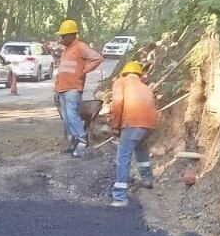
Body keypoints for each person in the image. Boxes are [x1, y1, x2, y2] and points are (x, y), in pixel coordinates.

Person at [108, 60, 158, 207]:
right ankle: (147, 180)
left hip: (132, 122)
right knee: (141, 148)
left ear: (124, 73)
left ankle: (120, 197)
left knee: (123, 157)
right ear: (139, 75)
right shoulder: (145, 87)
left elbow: (117, 104)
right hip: (150, 124)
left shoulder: (121, 82)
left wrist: (116, 126)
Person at [53, 19, 103, 157]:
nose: (61, 38)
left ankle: (82, 141)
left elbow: (97, 58)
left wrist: (84, 70)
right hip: (62, 88)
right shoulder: (66, 50)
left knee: (72, 116)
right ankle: (73, 142)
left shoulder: (81, 47)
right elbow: (61, 70)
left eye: (63, 36)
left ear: (71, 35)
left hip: (73, 88)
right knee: (66, 118)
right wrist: (56, 89)